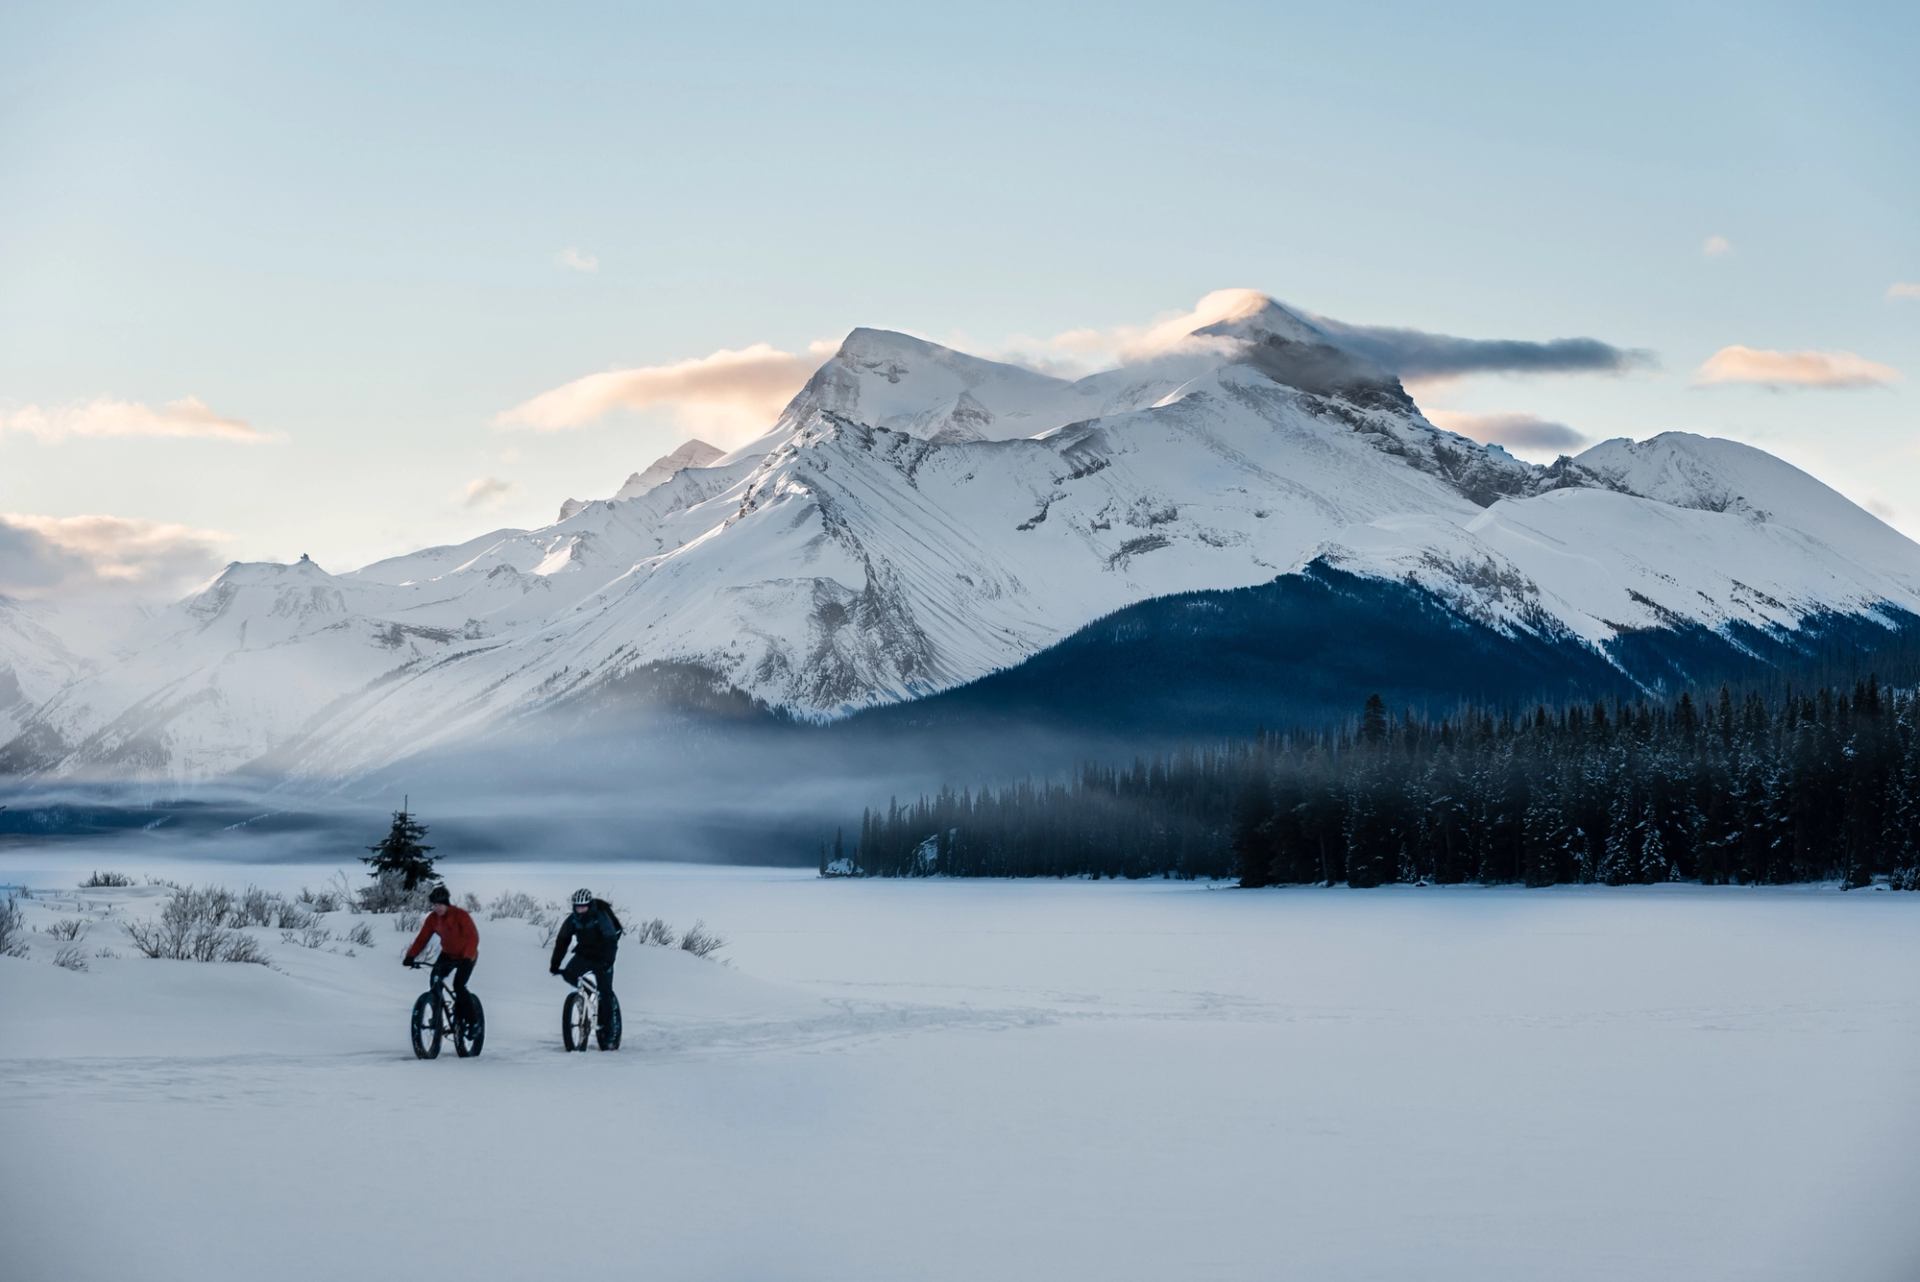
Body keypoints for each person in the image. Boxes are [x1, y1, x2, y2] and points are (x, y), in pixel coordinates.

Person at [550, 888, 622, 1049]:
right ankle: (584, 997)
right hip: (585, 954)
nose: (580, 910)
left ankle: (609, 1033)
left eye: (583, 907)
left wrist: (608, 962)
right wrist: (555, 964)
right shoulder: (572, 920)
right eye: (577, 907)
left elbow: (611, 941)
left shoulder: (600, 917)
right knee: (569, 974)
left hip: (604, 955)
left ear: (589, 906)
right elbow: (562, 941)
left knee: (605, 992)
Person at [403, 885, 480, 1031]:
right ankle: (437, 1018)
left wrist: (467, 957)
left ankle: (472, 1021)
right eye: (434, 905)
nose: (437, 908)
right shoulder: (432, 919)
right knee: (435, 981)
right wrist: (411, 956)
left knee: (459, 986)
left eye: (440, 904)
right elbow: (422, 939)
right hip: (448, 954)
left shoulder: (461, 915)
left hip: (467, 955)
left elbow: (472, 937)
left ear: (446, 903)